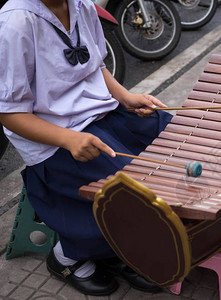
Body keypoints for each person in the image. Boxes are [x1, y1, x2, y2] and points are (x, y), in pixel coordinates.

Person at [0, 0, 172, 296]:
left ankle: (127, 247)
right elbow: (9, 112)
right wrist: (69, 139)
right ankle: (66, 256)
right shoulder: (15, 24)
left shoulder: (82, 7)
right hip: (55, 139)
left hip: (102, 113)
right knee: (132, 189)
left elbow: (96, 66)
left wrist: (126, 97)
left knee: (172, 135)